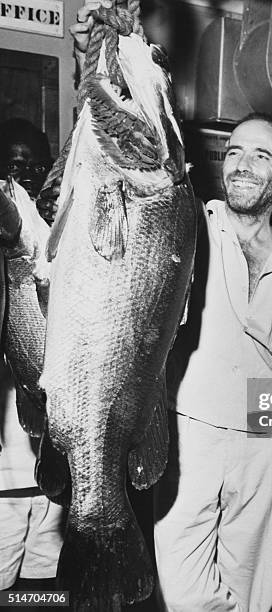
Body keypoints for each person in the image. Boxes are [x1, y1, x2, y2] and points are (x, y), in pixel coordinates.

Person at [70, 4, 272, 610]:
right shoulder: (187, 225)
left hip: (269, 448)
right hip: (189, 441)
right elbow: (117, 142)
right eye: (234, 151)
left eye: (260, 155)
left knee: (258, 597)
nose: (240, 163)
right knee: (183, 596)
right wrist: (97, 51)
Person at [0, 122, 65, 596]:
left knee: (44, 583)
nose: (24, 175)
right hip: (4, 470)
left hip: (53, 459)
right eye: (14, 164)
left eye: (35, 166)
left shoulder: (56, 233)